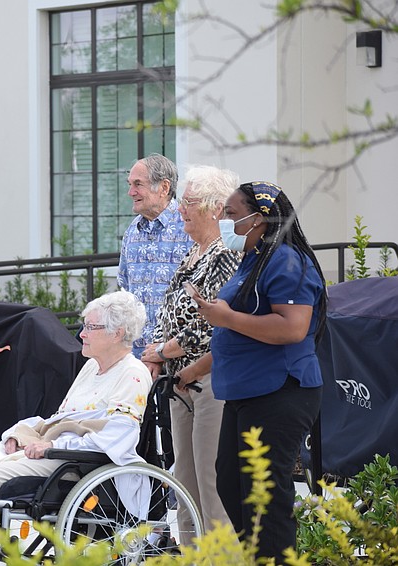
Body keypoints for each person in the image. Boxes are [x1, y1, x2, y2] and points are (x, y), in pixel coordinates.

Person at [0, 291, 153, 566]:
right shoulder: (91, 368)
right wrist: (20, 434)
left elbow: (118, 437)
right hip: (54, 454)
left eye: (90, 327)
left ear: (117, 333)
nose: (82, 334)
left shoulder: (132, 374)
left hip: (77, 464)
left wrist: (52, 446)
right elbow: (59, 419)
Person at [177, 182, 326, 561]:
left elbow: (292, 328)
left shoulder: (287, 260)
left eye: (229, 212)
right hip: (244, 393)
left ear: (257, 218)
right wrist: (193, 370)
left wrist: (225, 316)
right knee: (230, 484)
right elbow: (234, 331)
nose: (222, 219)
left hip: (280, 392)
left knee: (265, 497)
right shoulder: (253, 257)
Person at [139, 165, 241, 543]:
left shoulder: (226, 256)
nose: (180, 208)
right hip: (178, 381)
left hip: (210, 379)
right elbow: (169, 313)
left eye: (189, 202)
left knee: (210, 480)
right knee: (183, 481)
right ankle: (191, 554)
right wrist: (159, 355)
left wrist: (161, 352)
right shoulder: (191, 255)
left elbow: (211, 325)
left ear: (215, 209)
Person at [118, 154, 191, 358]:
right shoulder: (132, 231)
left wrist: (163, 351)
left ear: (164, 188)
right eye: (130, 184)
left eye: (138, 184)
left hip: (178, 355)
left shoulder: (190, 226)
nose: (130, 192)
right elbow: (125, 288)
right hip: (137, 355)